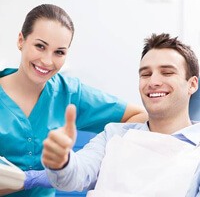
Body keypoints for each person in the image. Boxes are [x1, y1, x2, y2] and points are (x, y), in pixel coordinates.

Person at [0, 3, 148, 197]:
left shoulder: (69, 93)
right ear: (21, 40)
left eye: (59, 52)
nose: (47, 60)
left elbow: (139, 116)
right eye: (40, 46)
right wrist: (24, 182)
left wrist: (86, 161)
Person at [42, 33, 200, 196]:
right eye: (145, 74)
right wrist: (62, 161)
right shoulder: (113, 135)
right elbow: (76, 174)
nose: (153, 82)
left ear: (192, 84)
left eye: (167, 73)